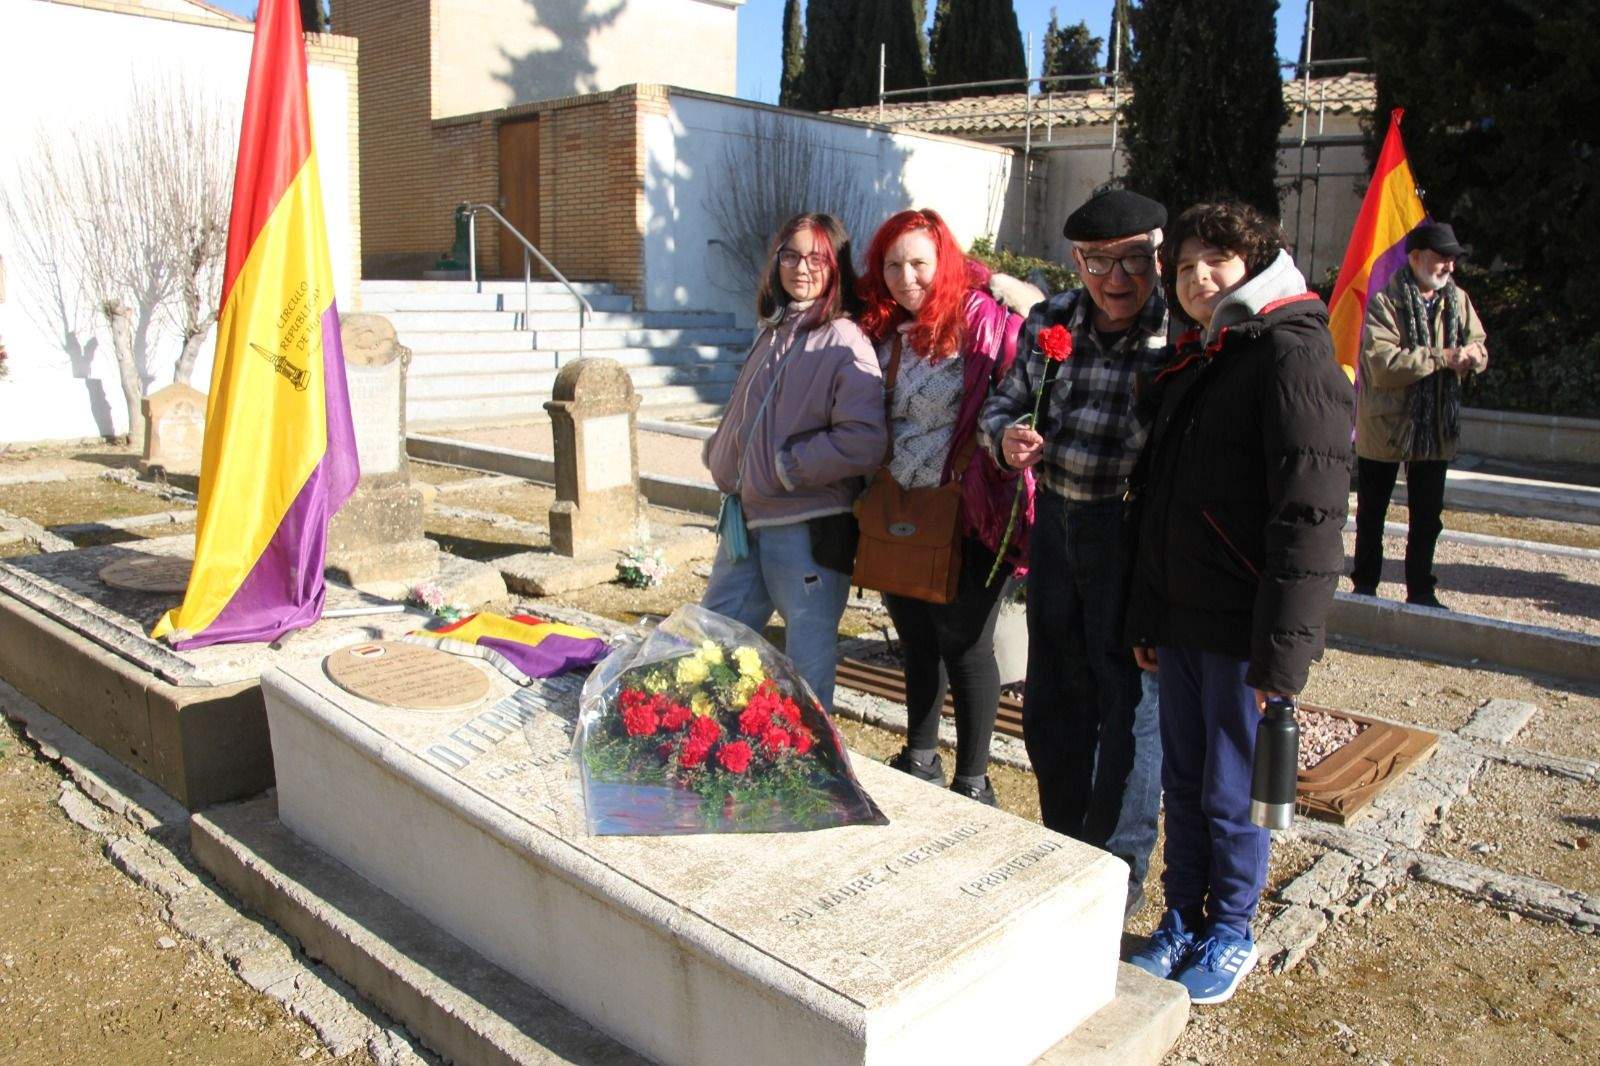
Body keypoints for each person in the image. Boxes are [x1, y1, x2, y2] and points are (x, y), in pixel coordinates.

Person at [1124, 202, 1351, 1004]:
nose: (1196, 278)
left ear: (1256, 263)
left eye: (1214, 261)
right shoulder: (1207, 354)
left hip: (1240, 627)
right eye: (1183, 267)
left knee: (1229, 789)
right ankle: (1183, 913)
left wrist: (1282, 656)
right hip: (1184, 618)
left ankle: (1231, 929)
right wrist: (1149, 614)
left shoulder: (1289, 355)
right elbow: (1162, 503)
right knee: (1182, 783)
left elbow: (1310, 516)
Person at [977, 189, 1168, 912]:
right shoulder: (1050, 319)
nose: (1117, 279)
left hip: (1130, 534)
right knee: (1054, 697)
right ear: (1076, 261)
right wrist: (1008, 437)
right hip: (1055, 524)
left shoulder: (1178, 328)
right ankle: (1063, 846)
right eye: (1098, 262)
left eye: (1133, 261)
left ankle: (1116, 871)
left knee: (1127, 703)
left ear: (1156, 253)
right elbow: (1004, 401)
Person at [856, 208, 1028, 806]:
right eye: (894, 265)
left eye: (919, 264)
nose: (907, 278)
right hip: (904, 508)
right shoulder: (884, 329)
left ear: (944, 262)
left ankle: (974, 782)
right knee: (916, 635)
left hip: (972, 510)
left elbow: (1026, 386)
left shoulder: (983, 322)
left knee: (964, 641)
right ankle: (921, 756)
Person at [701, 213, 886, 713]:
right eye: (791, 254)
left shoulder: (844, 339)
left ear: (836, 266)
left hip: (806, 529)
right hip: (748, 520)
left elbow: (866, 440)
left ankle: (810, 771)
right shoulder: (776, 330)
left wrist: (786, 468)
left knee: (806, 665)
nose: (801, 267)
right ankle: (706, 742)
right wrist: (722, 454)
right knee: (712, 640)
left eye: (816, 257)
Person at [1350, 221, 1488, 609]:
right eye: (1442, 257)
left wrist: (1474, 358)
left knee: (1427, 518)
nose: (1448, 266)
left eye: (1452, 259)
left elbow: (1478, 343)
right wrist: (1442, 358)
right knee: (1371, 515)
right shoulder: (1385, 301)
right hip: (1384, 425)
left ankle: (1421, 591)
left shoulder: (1458, 300)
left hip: (1435, 428)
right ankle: (1364, 587)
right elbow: (1382, 364)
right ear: (1415, 258)